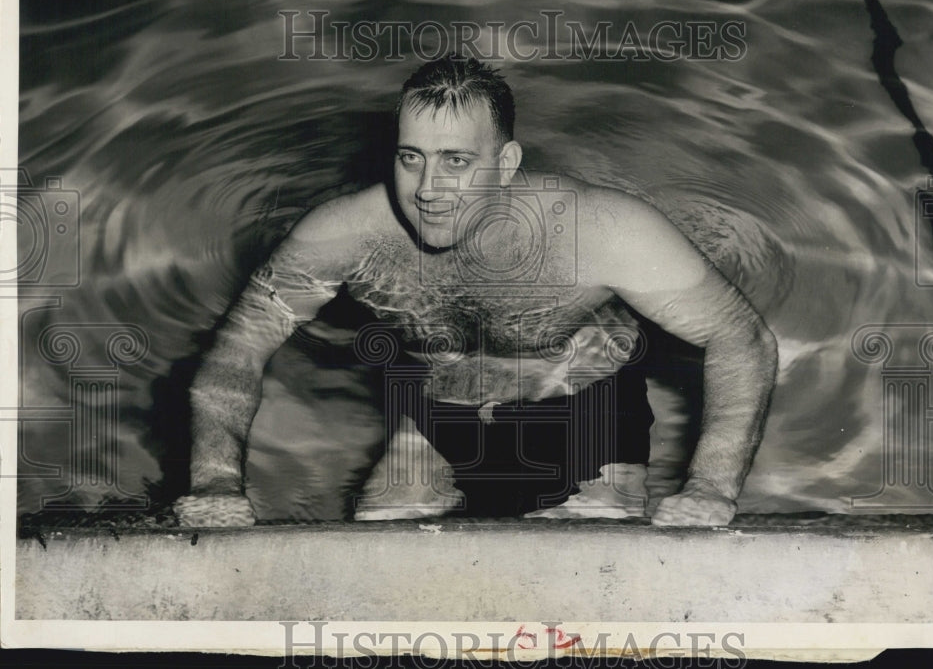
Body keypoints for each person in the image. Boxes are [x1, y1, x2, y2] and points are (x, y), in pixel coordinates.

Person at [173, 56, 778, 528]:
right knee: (376, 548)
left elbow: (739, 337)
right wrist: (215, 481)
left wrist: (709, 489)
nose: (429, 188)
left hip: (588, 410)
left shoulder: (602, 231)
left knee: (590, 566)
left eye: (456, 161)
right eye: (412, 158)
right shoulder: (343, 234)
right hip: (441, 409)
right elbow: (240, 347)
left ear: (507, 161)